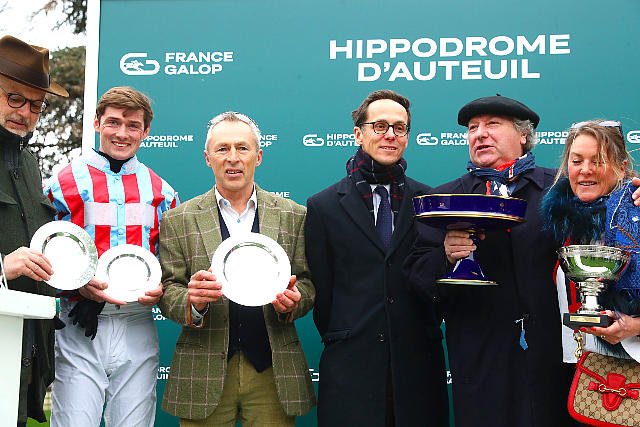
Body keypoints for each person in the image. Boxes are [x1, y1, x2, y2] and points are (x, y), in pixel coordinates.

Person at [404, 95, 579, 427]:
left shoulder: (563, 189)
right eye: (473, 128)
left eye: (492, 125)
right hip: (481, 364)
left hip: (555, 361)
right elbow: (418, 279)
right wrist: (445, 255)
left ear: (524, 135)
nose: (480, 134)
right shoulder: (444, 200)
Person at [158, 111, 315, 426]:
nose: (233, 157)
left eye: (242, 148)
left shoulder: (294, 215)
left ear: (258, 156)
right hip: (202, 372)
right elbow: (168, 289)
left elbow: (308, 283)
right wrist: (192, 301)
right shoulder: (178, 219)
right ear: (208, 158)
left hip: (273, 371)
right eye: (222, 149)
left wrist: (294, 301)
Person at [305, 90, 449, 427]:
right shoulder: (323, 206)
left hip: (418, 367)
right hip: (351, 369)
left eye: (399, 128)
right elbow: (323, 294)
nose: (390, 135)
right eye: (380, 126)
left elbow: (436, 282)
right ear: (358, 133)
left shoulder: (429, 201)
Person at [45, 86, 179, 427]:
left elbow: (173, 263)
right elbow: (42, 253)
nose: (122, 133)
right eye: (113, 122)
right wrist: (74, 283)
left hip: (136, 320)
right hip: (80, 318)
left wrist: (163, 287)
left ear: (145, 131)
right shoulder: (60, 183)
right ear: (96, 123)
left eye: (133, 125)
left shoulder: (162, 191)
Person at [0, 34, 68, 426]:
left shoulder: (29, 164)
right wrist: (2, 267)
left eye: (36, 105)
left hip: (22, 351)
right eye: (14, 98)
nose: (25, 113)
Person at [541, 120, 640, 362]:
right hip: (582, 367)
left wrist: (635, 327)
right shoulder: (558, 222)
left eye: (598, 161)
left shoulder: (635, 215)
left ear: (621, 167)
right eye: (577, 161)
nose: (585, 170)